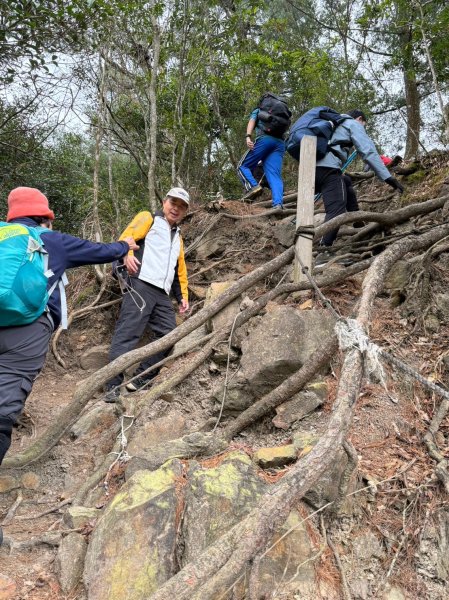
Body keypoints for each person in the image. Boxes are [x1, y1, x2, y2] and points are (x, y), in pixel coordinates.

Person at [0, 188, 137, 469]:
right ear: (44, 217)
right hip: (27, 330)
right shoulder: (50, 239)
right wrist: (125, 246)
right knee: (3, 410)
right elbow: (100, 251)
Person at [105, 188, 190, 402]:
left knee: (169, 336)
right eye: (173, 203)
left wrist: (183, 296)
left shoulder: (178, 237)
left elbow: (179, 269)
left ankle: (141, 379)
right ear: (164, 202)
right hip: (140, 283)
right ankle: (112, 386)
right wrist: (127, 253)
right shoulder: (149, 218)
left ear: (185, 211)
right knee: (128, 334)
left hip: (162, 293)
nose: (176, 208)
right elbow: (127, 237)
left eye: (181, 206)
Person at [315, 109, 404, 250]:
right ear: (360, 119)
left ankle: (356, 218)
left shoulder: (333, 123)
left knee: (346, 181)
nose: (363, 127)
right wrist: (388, 178)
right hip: (327, 169)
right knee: (336, 209)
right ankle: (324, 249)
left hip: (310, 168)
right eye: (364, 124)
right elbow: (368, 152)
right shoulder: (352, 123)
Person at [237, 94, 289, 209]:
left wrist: (248, 136)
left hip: (265, 140)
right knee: (274, 175)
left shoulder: (259, 110)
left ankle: (254, 187)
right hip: (280, 144)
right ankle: (278, 204)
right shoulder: (280, 115)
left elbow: (252, 121)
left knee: (242, 166)